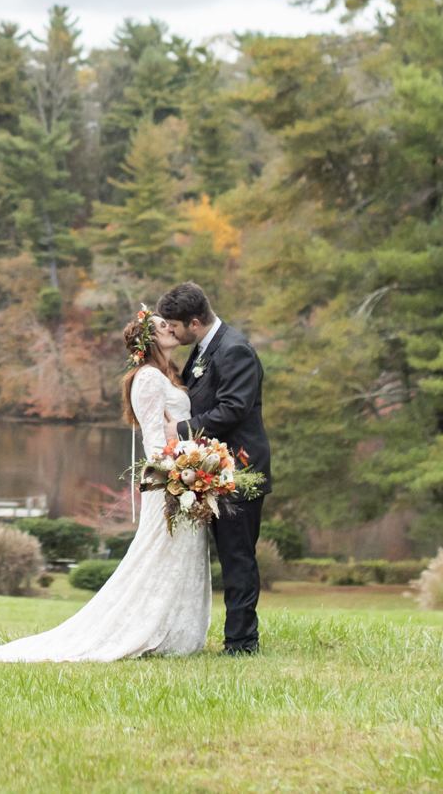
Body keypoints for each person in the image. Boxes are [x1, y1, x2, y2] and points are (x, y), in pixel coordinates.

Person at [0, 310, 210, 662]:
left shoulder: (170, 375)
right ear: (149, 340)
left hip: (186, 478)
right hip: (169, 482)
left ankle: (175, 633)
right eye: (163, 325)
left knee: (180, 555)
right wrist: (178, 476)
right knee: (158, 555)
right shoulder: (146, 378)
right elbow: (152, 442)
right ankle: (140, 630)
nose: (171, 328)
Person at [157, 280, 271, 655]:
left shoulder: (235, 349)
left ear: (193, 321)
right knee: (228, 555)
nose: (171, 332)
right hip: (211, 469)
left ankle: (242, 642)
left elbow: (234, 408)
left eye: (174, 326)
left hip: (239, 469)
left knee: (238, 556)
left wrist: (181, 430)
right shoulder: (206, 347)